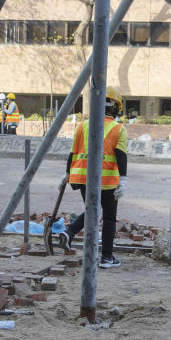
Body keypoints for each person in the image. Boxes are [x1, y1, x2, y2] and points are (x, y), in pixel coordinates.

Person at [58, 86, 128, 269]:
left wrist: (67, 173)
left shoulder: (84, 125)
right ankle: (106, 257)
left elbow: (73, 152)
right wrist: (124, 179)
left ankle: (70, 231)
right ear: (116, 107)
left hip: (82, 178)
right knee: (109, 217)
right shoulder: (118, 128)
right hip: (106, 182)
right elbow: (121, 155)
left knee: (92, 210)